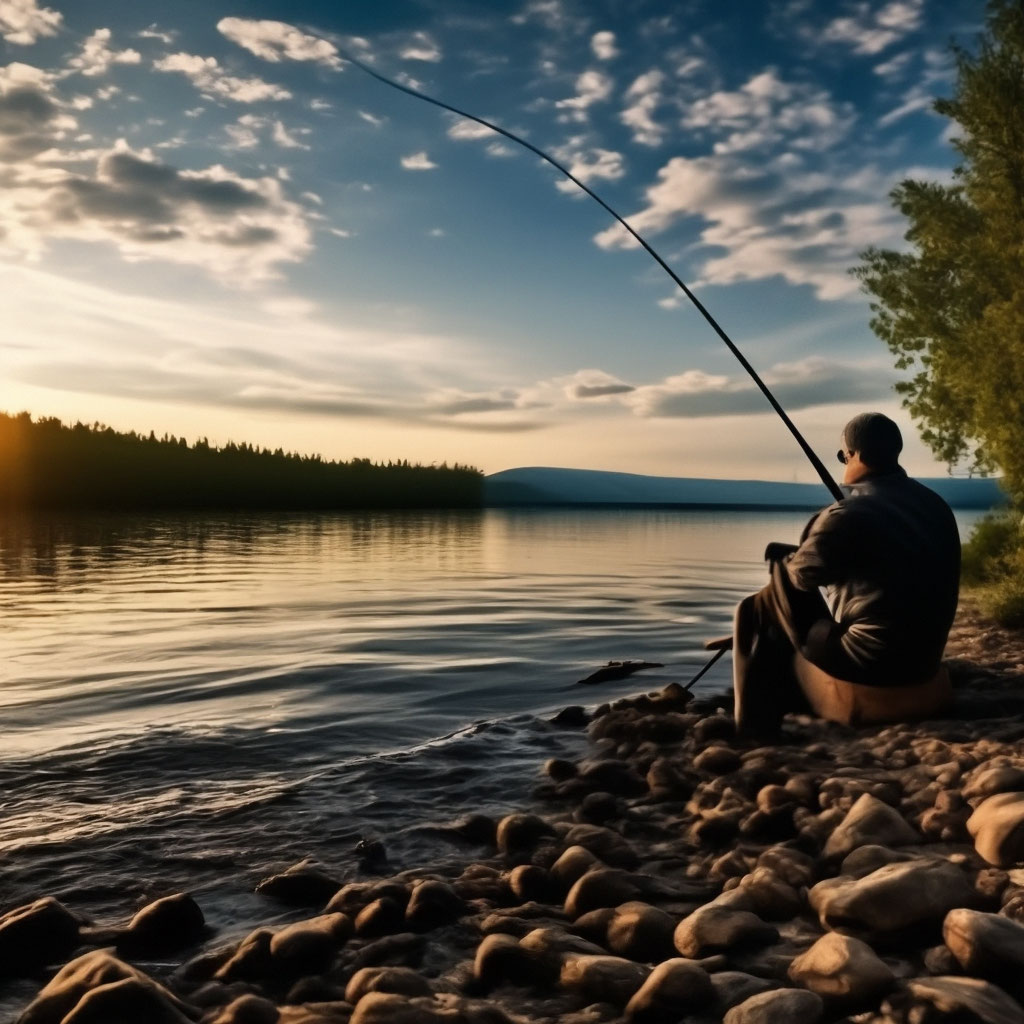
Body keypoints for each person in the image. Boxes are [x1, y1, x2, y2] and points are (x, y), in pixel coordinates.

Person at [729, 411, 961, 734]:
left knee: (758, 603)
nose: (843, 462)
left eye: (843, 455)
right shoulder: (937, 506)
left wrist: (798, 549)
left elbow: (801, 578)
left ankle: (749, 725)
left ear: (858, 455)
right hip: (923, 665)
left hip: (868, 666)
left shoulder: (845, 514)